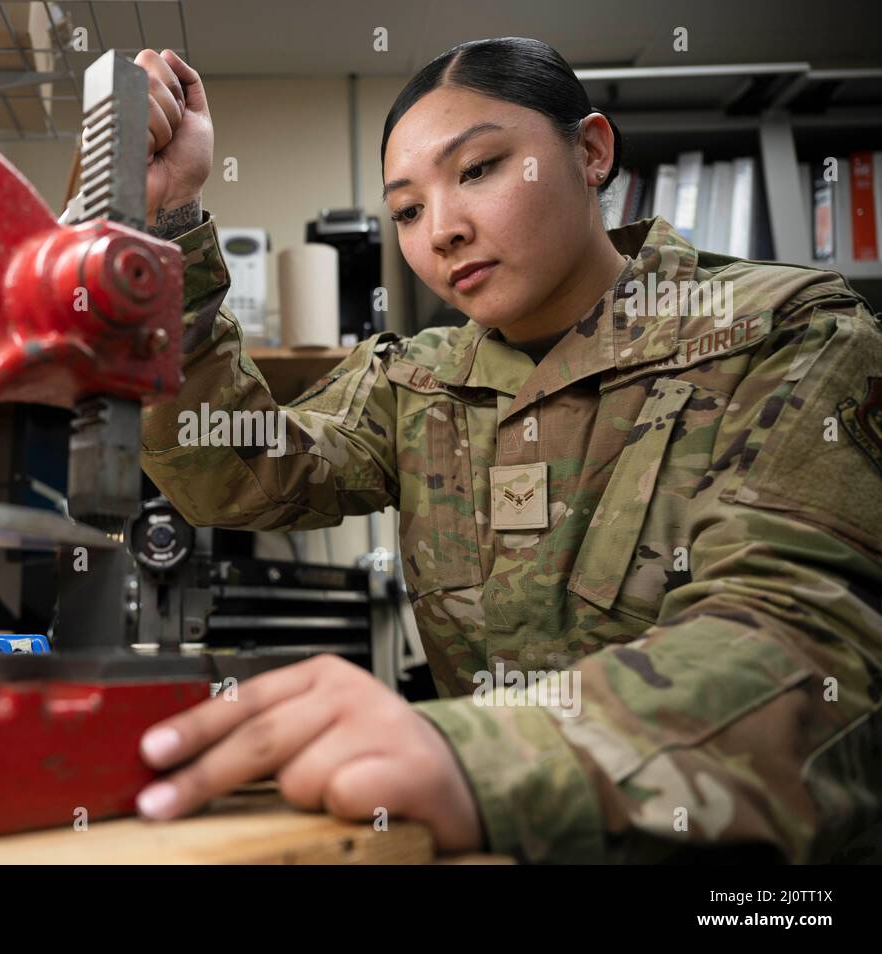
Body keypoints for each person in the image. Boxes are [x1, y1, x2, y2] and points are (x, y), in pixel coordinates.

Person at [126, 38, 882, 862]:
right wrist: (167, 226)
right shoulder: (417, 379)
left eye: (480, 169)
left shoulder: (786, 333)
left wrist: (481, 757)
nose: (443, 231)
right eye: (407, 210)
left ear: (591, 152)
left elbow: (804, 641)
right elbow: (231, 476)